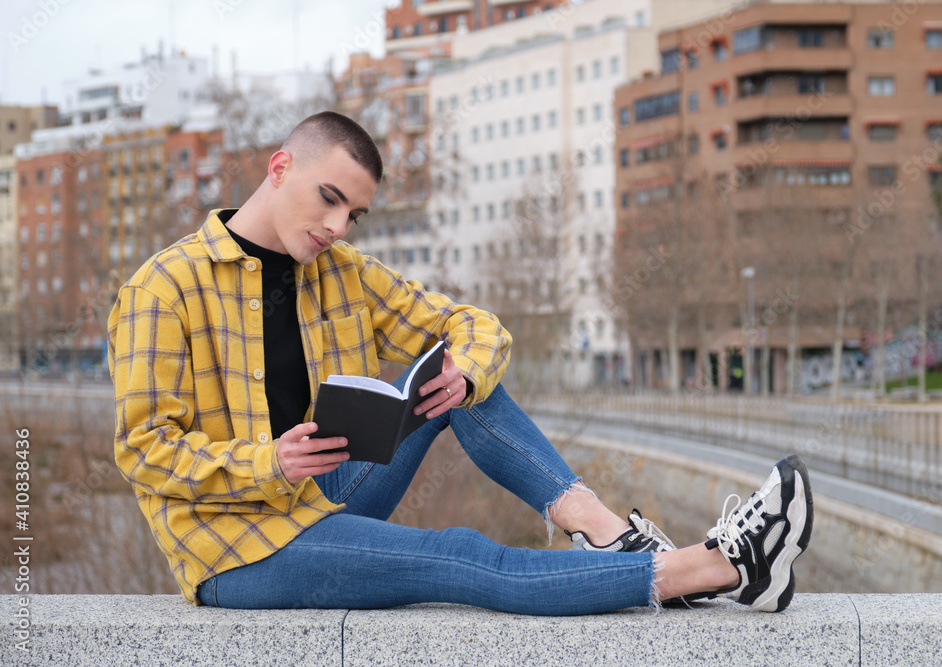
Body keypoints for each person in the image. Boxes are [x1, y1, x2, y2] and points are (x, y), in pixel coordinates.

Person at [108, 111, 813, 615]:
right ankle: (708, 567)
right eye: (330, 198)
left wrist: (467, 371)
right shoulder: (164, 288)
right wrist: (270, 461)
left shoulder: (342, 271)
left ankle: (598, 523)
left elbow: (475, 326)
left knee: (457, 378)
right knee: (462, 554)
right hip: (239, 545)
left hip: (319, 491)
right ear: (280, 166)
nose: (336, 226)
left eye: (354, 213)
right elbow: (143, 450)